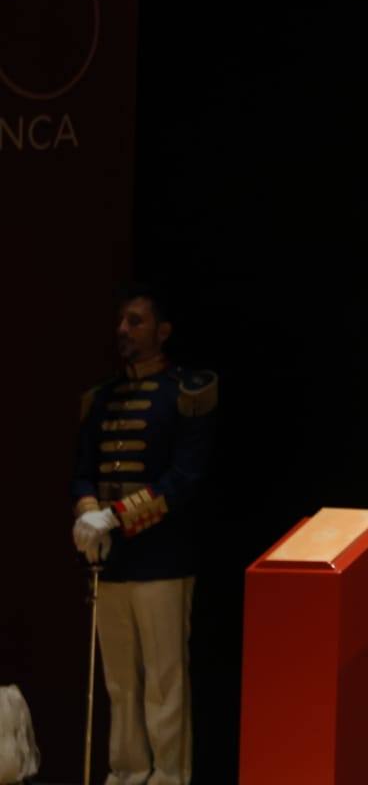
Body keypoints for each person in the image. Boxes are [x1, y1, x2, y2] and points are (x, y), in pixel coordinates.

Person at [70, 286, 215, 785]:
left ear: (162, 331)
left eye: (135, 322)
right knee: (120, 682)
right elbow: (84, 469)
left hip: (163, 557)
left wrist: (113, 516)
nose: (123, 331)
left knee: (164, 681)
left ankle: (169, 775)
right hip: (112, 558)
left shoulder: (186, 393)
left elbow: (185, 478)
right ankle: (127, 771)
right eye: (121, 322)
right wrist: (87, 512)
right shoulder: (103, 397)